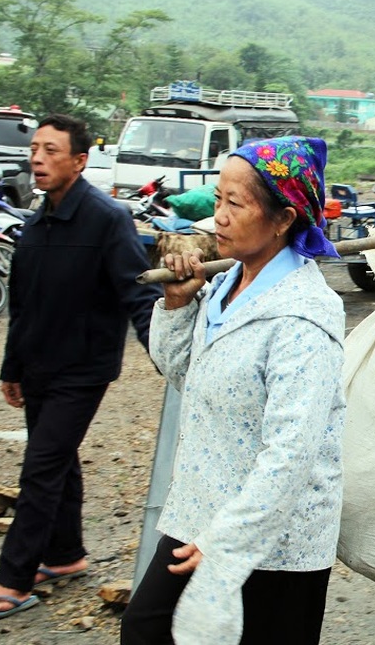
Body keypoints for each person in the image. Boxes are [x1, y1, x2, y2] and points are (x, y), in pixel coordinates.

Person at [121, 136, 346, 645]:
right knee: (146, 629)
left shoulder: (304, 318)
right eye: (217, 200)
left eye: (235, 204)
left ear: (284, 219)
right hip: (201, 510)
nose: (218, 217)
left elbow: (292, 451)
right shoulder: (225, 284)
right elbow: (190, 379)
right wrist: (178, 306)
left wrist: (230, 538)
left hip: (274, 539)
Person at [0, 114, 160, 619]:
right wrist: (12, 367)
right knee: (57, 460)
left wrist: (165, 350)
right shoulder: (36, 221)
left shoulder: (106, 218)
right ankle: (66, 555)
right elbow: (22, 303)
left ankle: (13, 580)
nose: (38, 159)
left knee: (41, 467)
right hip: (39, 368)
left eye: (52, 151)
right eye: (35, 149)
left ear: (79, 160)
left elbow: (136, 288)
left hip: (83, 369)